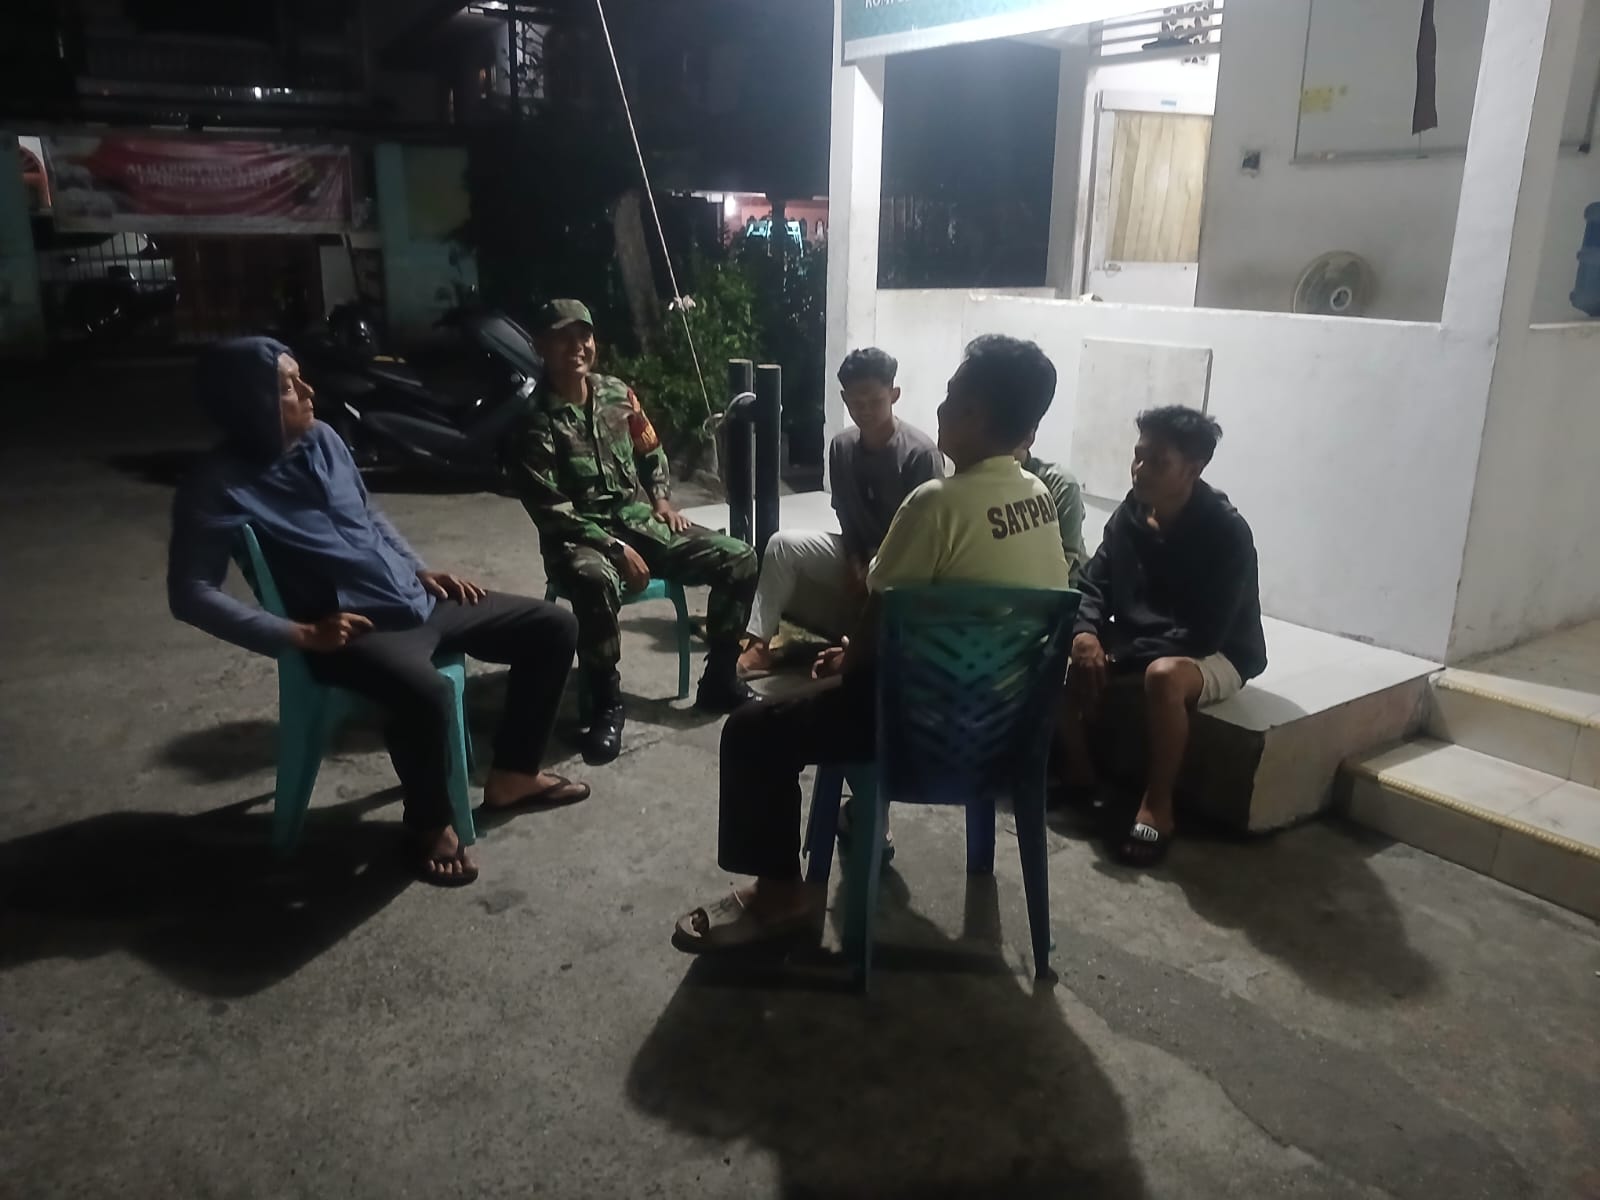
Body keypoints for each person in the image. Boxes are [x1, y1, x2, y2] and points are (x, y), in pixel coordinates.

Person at [672, 335, 1071, 953]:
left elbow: (880, 615)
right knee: (833, 686)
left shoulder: (936, 503)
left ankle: (782, 895)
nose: (939, 409)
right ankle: (859, 821)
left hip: (915, 731)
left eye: (951, 396)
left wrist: (848, 658)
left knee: (754, 729)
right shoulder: (1038, 498)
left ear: (975, 414)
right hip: (1005, 731)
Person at [169, 338, 587, 887]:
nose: (309, 391)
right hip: (349, 629)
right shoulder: (216, 485)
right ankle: (428, 825)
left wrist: (418, 569)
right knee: (426, 693)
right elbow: (191, 592)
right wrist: (296, 633)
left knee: (553, 627)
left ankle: (513, 775)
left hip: (413, 597)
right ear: (249, 403)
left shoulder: (323, 438)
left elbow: (368, 514)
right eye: (288, 386)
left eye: (301, 377)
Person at [500, 300, 757, 765]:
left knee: (738, 556)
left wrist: (661, 498)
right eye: (563, 338)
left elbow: (650, 448)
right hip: (579, 538)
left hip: (637, 520)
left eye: (584, 336)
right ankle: (606, 703)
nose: (577, 347)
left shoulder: (617, 393)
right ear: (540, 347)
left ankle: (721, 678)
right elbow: (550, 509)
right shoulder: (532, 420)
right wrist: (615, 548)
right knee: (593, 578)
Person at [1060, 406, 1266, 868]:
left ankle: (1158, 805)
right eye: (1138, 456)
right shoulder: (1131, 514)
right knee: (1061, 640)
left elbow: (1204, 633)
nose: (1140, 469)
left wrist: (1119, 656)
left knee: (1163, 677)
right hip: (1141, 640)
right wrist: (1086, 634)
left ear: (1193, 469)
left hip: (1217, 651)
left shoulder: (1226, 532)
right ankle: (1079, 775)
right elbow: (1093, 584)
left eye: (1157, 462)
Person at [737, 348, 943, 679]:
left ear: (894, 395)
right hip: (859, 556)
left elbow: (926, 538)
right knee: (782, 545)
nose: (865, 411)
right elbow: (846, 513)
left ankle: (865, 646)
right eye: (856, 403)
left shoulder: (920, 454)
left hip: (903, 569)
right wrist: (853, 561)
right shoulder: (841, 446)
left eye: (875, 401)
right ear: (844, 399)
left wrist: (876, 565)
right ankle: (759, 644)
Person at [1017, 434, 1087, 584]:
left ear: (1028, 439)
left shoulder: (1061, 484)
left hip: (1068, 585)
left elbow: (1065, 563)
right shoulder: (989, 480)